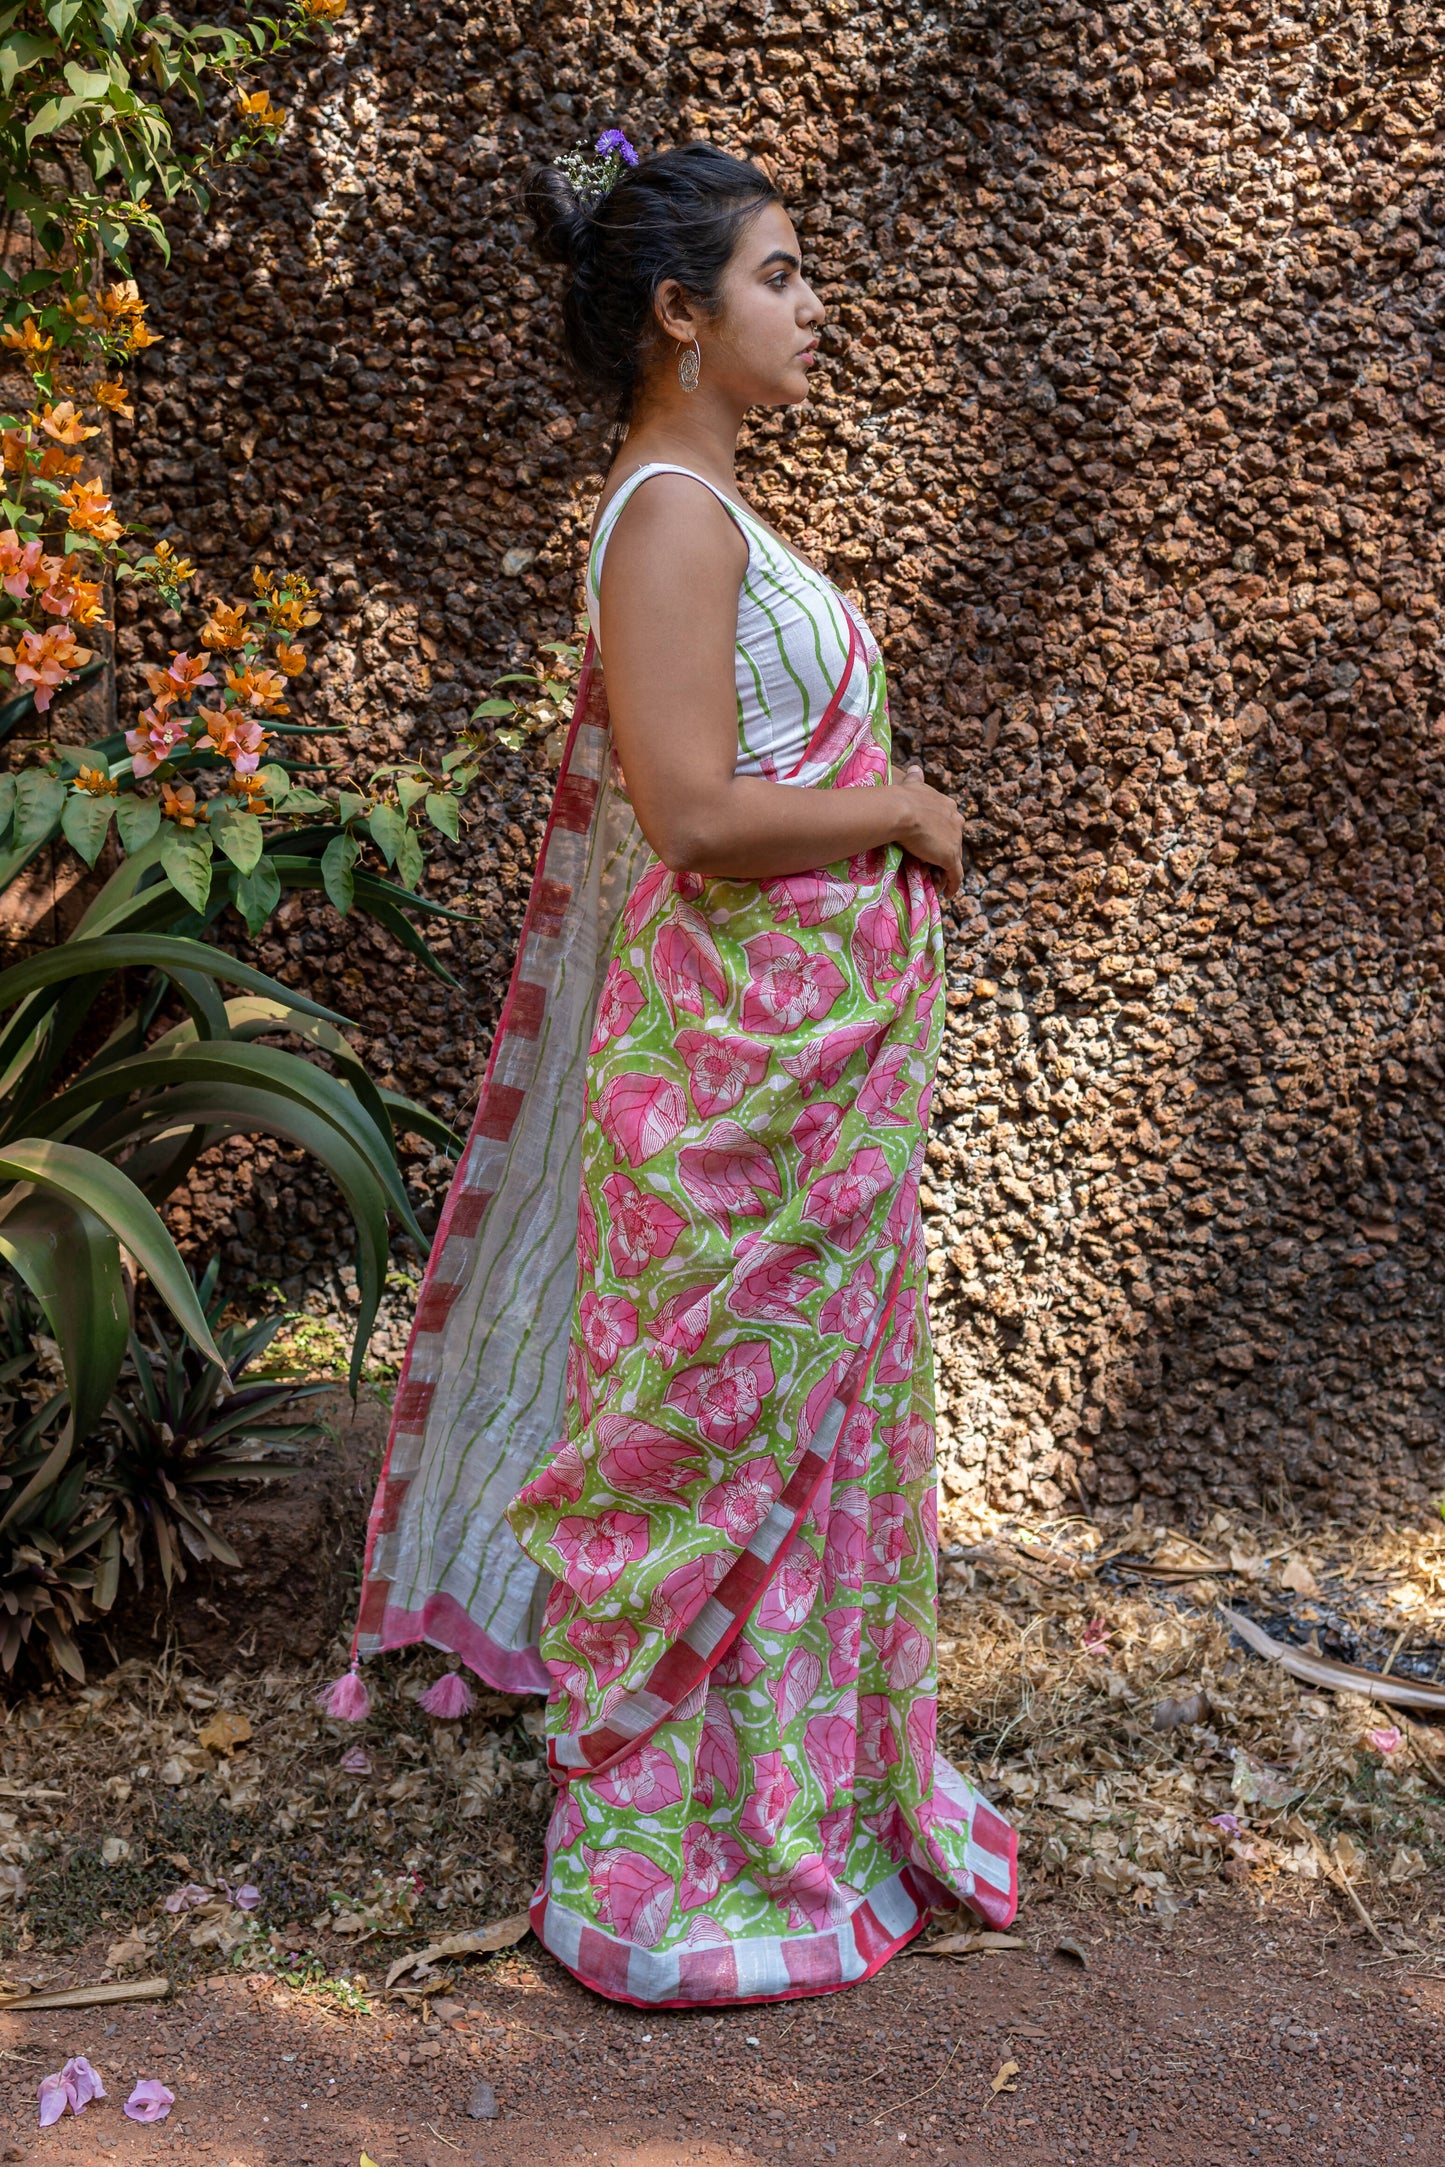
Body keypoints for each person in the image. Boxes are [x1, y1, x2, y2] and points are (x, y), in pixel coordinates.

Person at [346, 132, 1016, 2009]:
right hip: (727, 1078)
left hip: (798, 1066)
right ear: (678, 313)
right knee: (712, 1434)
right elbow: (695, 814)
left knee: (802, 1433)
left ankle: (795, 1796)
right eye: (780, 277)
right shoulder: (665, 518)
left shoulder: (713, 508)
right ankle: (677, 1844)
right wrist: (899, 806)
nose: (813, 309)